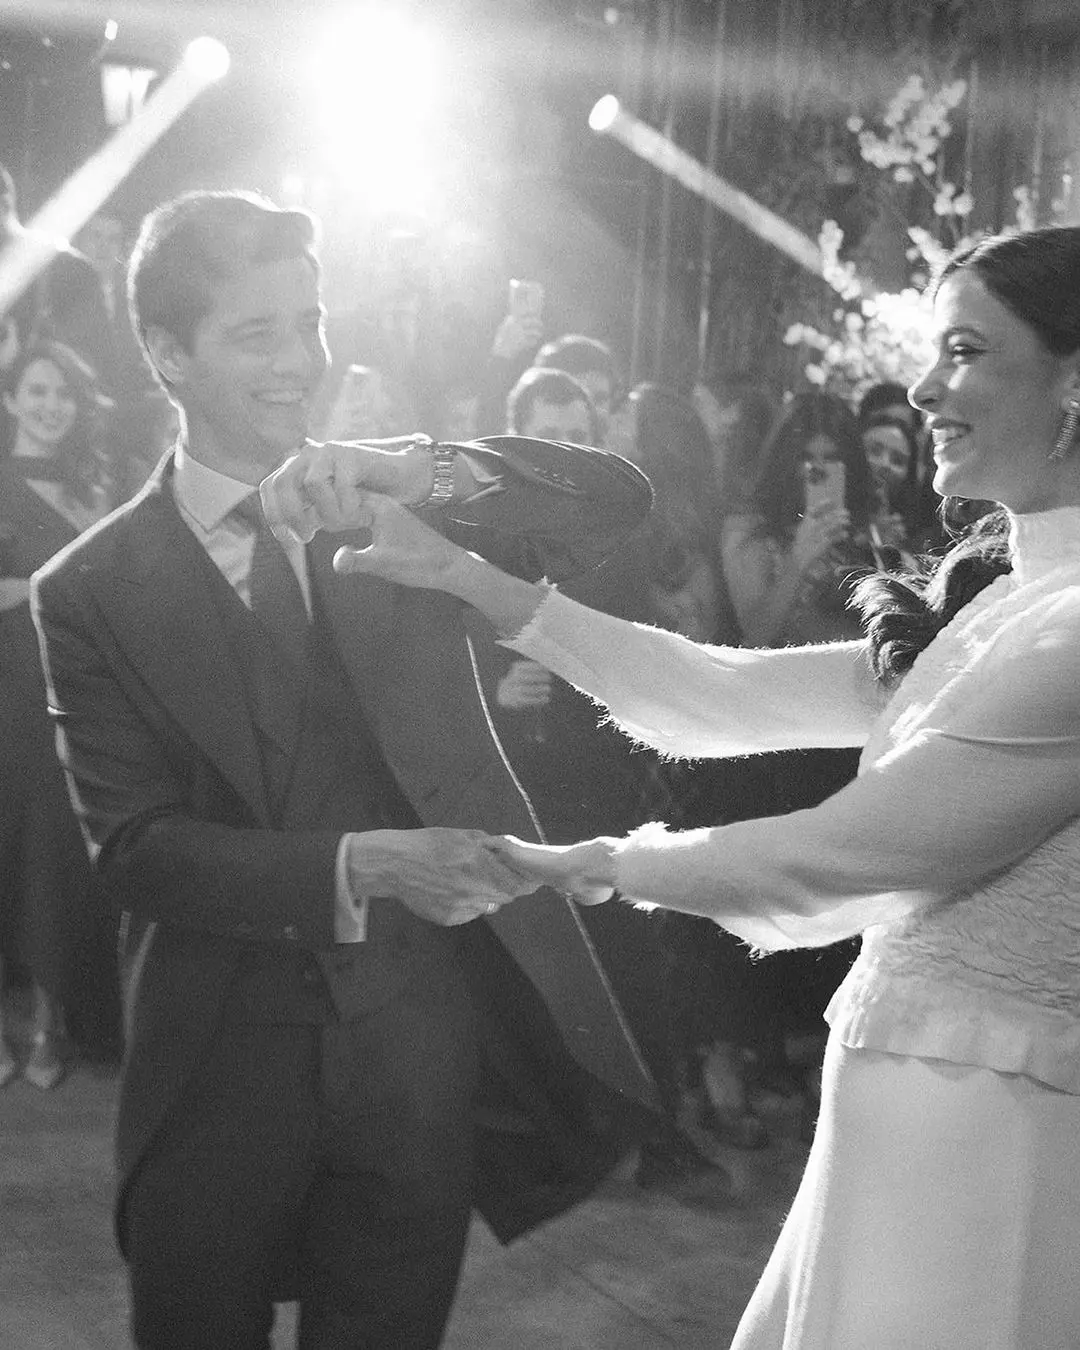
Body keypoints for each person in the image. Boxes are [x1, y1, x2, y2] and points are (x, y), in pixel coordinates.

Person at [264, 222, 1080, 1349]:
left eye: (967, 351)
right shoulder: (1004, 605)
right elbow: (721, 696)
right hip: (904, 1110)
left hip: (994, 1134)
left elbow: (840, 854)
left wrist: (593, 865)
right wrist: (468, 579)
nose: (924, 385)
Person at [30, 189, 657, 1349]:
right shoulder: (91, 587)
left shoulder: (389, 513)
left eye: (308, 324)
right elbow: (137, 852)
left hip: (413, 1059)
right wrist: (365, 866)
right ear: (166, 354)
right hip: (213, 1068)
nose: (296, 363)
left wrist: (409, 472)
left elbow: (616, 503)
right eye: (255, 334)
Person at [0, 340, 120, 1087]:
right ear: (12, 398)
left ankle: (50, 1025)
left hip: (61, 694)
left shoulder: (93, 484)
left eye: (63, 395)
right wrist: (39, 587)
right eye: (37, 391)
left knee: (51, 856)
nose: (50, 406)